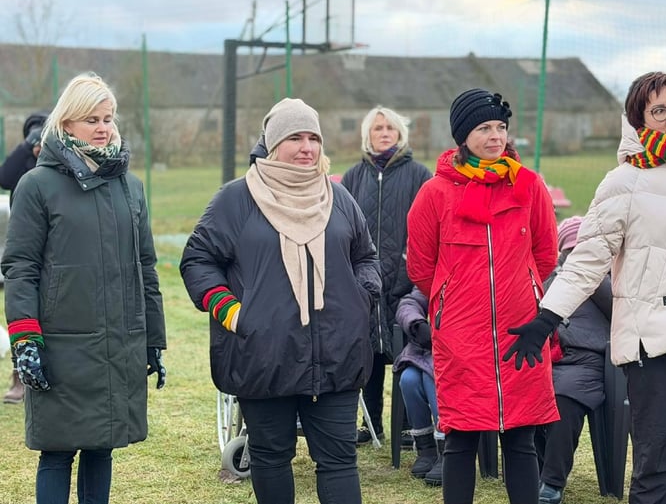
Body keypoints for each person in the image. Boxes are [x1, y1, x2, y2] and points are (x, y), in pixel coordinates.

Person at [506, 71, 666, 504]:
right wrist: (547, 317)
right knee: (653, 460)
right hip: (654, 339)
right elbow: (586, 259)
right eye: (659, 110)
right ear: (640, 121)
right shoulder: (623, 182)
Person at [179, 97, 381, 504]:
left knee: (340, 460)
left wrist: (362, 298)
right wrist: (233, 313)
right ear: (272, 144)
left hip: (337, 357)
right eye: (295, 137)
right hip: (263, 355)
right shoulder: (236, 200)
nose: (307, 147)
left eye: (313, 138)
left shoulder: (339, 199)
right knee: (271, 458)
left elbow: (366, 256)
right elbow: (198, 260)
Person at [1, 72, 167, 504]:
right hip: (60, 344)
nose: (102, 127)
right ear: (67, 124)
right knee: (57, 453)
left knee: (102, 448)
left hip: (117, 342)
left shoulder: (130, 188)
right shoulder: (36, 186)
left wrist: (154, 339)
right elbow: (20, 266)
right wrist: (24, 338)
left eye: (108, 118)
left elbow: (145, 267)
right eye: (91, 118)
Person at [406, 87, 560, 504]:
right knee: (461, 440)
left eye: (500, 127)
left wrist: (522, 290)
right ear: (462, 135)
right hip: (460, 335)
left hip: (520, 333)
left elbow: (546, 253)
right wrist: (450, 302)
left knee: (521, 441)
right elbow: (421, 266)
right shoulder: (435, 193)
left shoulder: (529, 185)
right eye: (483, 128)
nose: (495, 136)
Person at [341, 105, 432, 445]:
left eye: (389, 128)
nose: (383, 133)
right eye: (377, 128)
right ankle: (370, 424)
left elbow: (426, 229)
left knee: (407, 354)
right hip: (363, 287)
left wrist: (409, 274)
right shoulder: (352, 178)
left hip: (406, 285)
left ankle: (411, 427)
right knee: (368, 357)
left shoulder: (420, 175)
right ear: (368, 134)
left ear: (400, 134)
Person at [535, 216, 612, 504]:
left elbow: (620, 310)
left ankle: (552, 483)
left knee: (563, 397)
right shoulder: (550, 280)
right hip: (547, 358)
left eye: (581, 252)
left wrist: (592, 277)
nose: (574, 258)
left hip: (588, 360)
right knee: (526, 393)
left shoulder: (606, 281)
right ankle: (540, 470)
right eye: (570, 252)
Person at [0, 110, 48, 405]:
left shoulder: (55, 163)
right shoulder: (24, 164)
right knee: (21, 310)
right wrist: (24, 147)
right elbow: (4, 178)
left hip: (52, 245)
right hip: (23, 244)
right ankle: (18, 376)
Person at [393, 285, 444, 485]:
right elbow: (408, 303)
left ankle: (446, 448)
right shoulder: (433, 275)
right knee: (408, 380)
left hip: (460, 351)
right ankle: (426, 449)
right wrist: (417, 324)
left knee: (431, 377)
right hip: (425, 350)